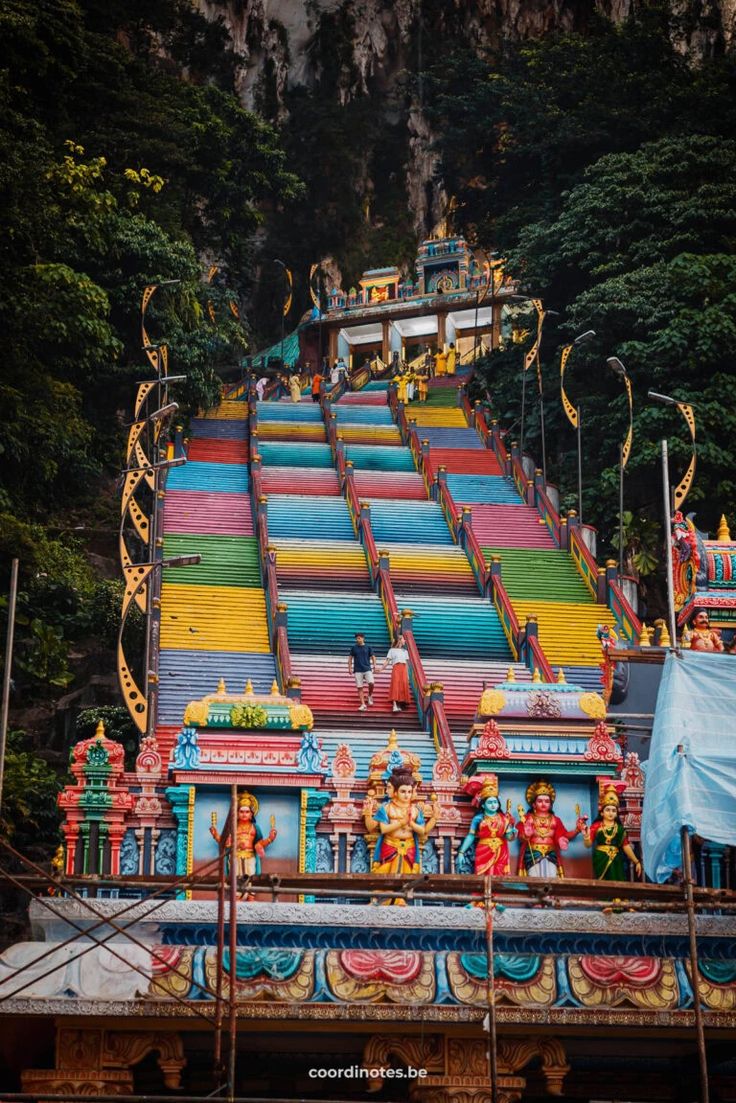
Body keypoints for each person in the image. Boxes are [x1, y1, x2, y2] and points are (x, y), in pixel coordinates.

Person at [362, 766, 438, 901]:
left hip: (409, 847)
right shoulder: (388, 808)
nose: (406, 795)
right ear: (395, 792)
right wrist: (402, 822)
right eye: (403, 791)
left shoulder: (415, 810)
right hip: (390, 845)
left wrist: (433, 818)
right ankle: (382, 900)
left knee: (406, 875)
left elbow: (423, 831)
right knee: (385, 873)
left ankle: (400, 899)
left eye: (409, 791)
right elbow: (384, 829)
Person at [210, 791, 277, 899]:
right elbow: (226, 843)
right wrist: (215, 835)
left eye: (247, 811)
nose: (244, 814)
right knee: (235, 876)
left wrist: (270, 839)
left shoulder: (255, 828)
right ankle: (236, 897)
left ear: (251, 814)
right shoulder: (232, 827)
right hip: (235, 856)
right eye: (241, 811)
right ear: (237, 813)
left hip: (250, 856)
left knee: (251, 876)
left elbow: (258, 844)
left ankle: (250, 897)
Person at [516, 780, 585, 878]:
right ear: (534, 804)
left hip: (551, 853)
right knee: (533, 878)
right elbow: (519, 836)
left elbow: (564, 835)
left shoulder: (555, 820)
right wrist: (526, 834)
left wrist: (577, 830)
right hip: (533, 853)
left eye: (547, 801)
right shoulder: (528, 818)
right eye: (540, 801)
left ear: (551, 804)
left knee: (551, 877)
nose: (543, 804)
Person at [458, 774, 516, 877]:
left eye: (495, 802)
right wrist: (461, 852)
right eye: (490, 802)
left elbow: (508, 837)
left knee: (499, 876)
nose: (493, 805)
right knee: (482, 876)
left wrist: (513, 832)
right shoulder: (478, 818)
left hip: (500, 850)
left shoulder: (504, 818)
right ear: (483, 805)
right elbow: (471, 836)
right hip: (483, 849)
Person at [582, 784, 642, 881]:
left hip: (616, 860)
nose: (611, 813)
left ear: (617, 813)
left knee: (618, 883)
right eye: (608, 810)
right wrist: (586, 836)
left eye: (614, 810)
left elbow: (625, 846)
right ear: (602, 812)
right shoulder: (596, 826)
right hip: (600, 858)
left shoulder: (619, 829)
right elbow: (588, 845)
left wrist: (636, 862)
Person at [378, 635, 412, 712]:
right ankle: (394, 705)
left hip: (403, 669)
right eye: (403, 639)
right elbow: (387, 661)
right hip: (396, 668)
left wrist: (407, 674)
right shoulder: (392, 650)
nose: (405, 641)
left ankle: (399, 704)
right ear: (399, 640)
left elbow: (406, 664)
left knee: (403, 685)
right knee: (395, 685)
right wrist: (381, 669)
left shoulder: (405, 651)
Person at [348, 632, 375, 711]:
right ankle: (363, 704)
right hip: (357, 670)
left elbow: (373, 656)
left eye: (359, 638)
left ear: (363, 638)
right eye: (357, 638)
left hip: (367, 669)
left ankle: (369, 695)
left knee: (371, 683)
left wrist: (374, 665)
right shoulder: (354, 648)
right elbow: (350, 658)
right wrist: (349, 668)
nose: (358, 640)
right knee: (360, 687)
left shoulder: (368, 647)